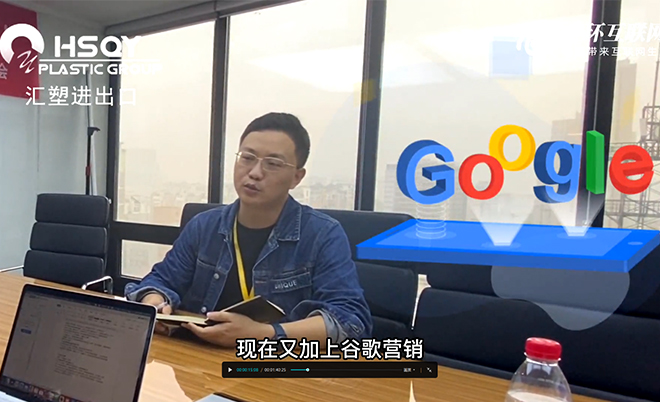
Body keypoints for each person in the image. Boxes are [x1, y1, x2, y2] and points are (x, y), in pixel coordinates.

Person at [125, 112, 373, 347]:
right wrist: (156, 304)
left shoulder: (322, 235)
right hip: (200, 361)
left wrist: (264, 334)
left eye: (273, 163)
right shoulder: (204, 226)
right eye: (247, 158)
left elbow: (350, 321)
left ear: (297, 177)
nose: (254, 173)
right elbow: (160, 280)